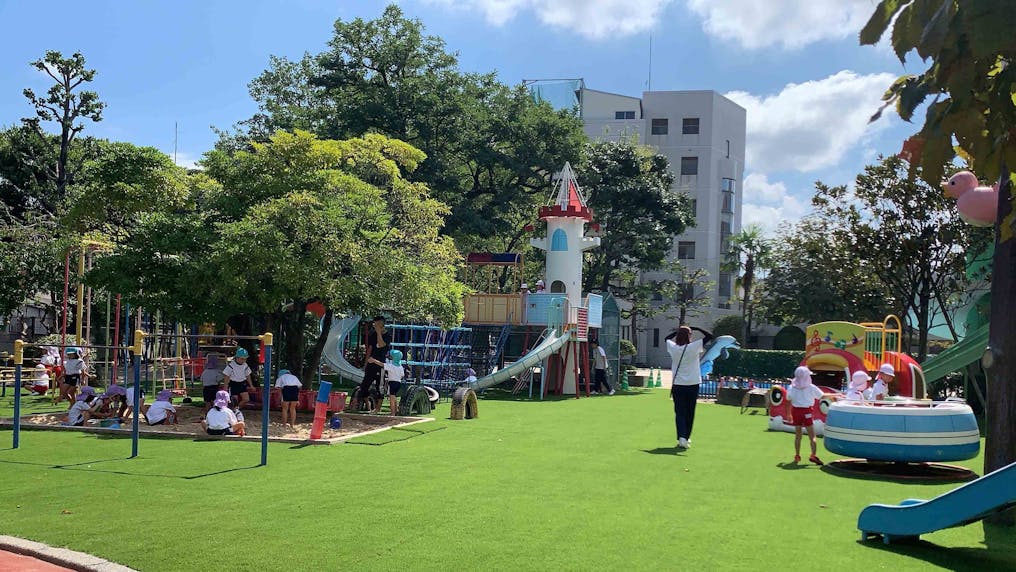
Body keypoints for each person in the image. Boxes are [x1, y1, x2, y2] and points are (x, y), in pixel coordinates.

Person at [665, 325, 713, 449]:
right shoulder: (694, 347)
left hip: (678, 384)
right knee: (690, 412)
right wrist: (697, 328)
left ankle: (681, 437)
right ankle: (686, 437)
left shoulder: (673, 348)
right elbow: (710, 336)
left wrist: (678, 331)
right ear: (689, 336)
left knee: (679, 412)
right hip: (693, 384)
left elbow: (666, 338)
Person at [787, 366, 824, 465]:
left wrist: (788, 414)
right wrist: (836, 396)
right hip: (807, 411)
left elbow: (788, 399)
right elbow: (822, 396)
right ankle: (813, 455)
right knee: (812, 435)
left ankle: (797, 455)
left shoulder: (792, 387)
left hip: (796, 411)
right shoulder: (811, 387)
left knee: (798, 435)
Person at [352, 316, 390, 412]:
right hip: (371, 362)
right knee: (364, 385)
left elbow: (381, 345)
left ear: (382, 324)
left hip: (380, 363)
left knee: (379, 386)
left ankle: (378, 409)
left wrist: (378, 333)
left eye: (377, 324)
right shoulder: (373, 334)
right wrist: (366, 363)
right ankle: (369, 406)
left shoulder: (387, 335)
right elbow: (370, 348)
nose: (375, 325)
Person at [378, 350, 406, 415]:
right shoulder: (400, 367)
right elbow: (402, 375)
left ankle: (393, 413)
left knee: (391, 398)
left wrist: (374, 360)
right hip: (398, 383)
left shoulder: (391, 366)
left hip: (392, 383)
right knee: (394, 397)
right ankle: (396, 411)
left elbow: (382, 364)